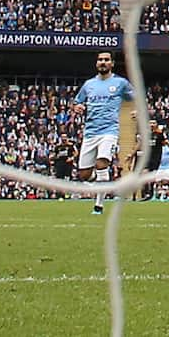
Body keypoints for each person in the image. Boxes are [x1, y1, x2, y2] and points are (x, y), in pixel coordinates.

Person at [71, 51, 134, 215]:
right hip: (90, 132)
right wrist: (77, 107)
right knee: (84, 174)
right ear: (96, 63)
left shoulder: (120, 83)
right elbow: (77, 102)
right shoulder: (88, 84)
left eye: (106, 60)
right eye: (100, 60)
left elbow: (135, 98)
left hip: (109, 131)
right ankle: (103, 182)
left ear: (112, 63)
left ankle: (98, 206)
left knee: (101, 163)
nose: (103, 62)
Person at [137, 120, 167, 202]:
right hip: (147, 157)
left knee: (151, 176)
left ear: (156, 124)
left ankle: (150, 193)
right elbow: (141, 144)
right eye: (150, 123)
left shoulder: (160, 134)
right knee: (144, 174)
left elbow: (165, 143)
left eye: (153, 123)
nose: (152, 124)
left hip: (156, 158)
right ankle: (147, 193)